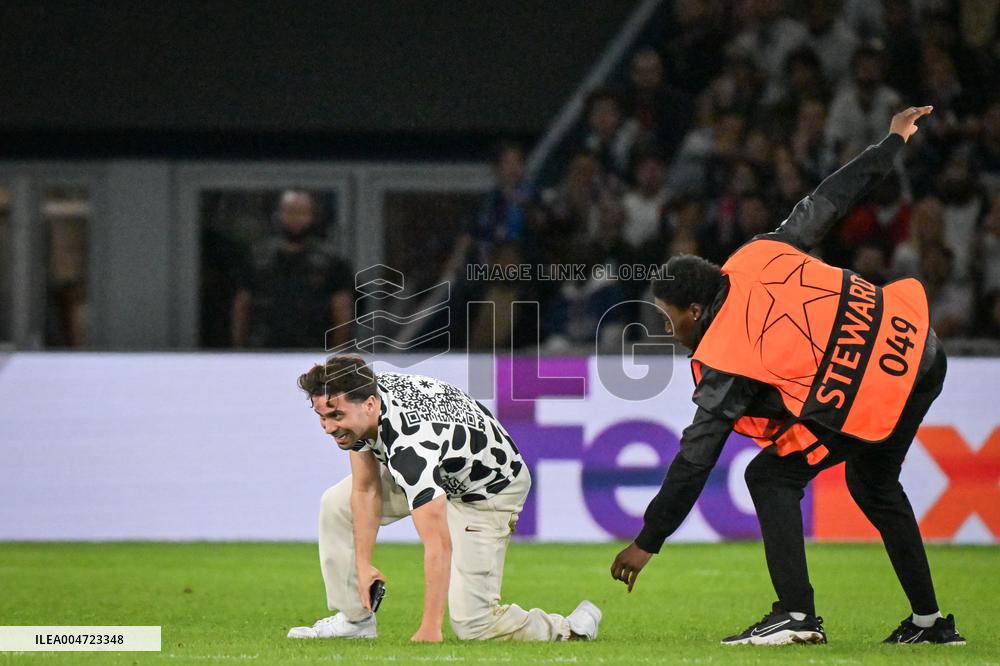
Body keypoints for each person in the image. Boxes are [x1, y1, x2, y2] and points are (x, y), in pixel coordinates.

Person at [610, 106, 967, 646]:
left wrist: (648, 540)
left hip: (879, 379)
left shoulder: (728, 353)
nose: (666, 329)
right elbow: (830, 198)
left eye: (668, 317)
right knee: (873, 483)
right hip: (918, 346)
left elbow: (694, 459)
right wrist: (891, 142)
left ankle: (796, 617)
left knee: (770, 477)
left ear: (695, 311)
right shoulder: (760, 252)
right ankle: (929, 624)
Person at [287, 355, 601, 642]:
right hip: (444, 464)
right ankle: (355, 620)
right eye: (321, 416)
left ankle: (569, 627)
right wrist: (363, 563)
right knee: (337, 505)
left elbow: (438, 544)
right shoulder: (359, 396)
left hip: (489, 489)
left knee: (475, 626)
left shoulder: (411, 446)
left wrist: (430, 627)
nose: (328, 427)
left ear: (370, 405)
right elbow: (365, 488)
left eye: (335, 415)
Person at [231, 190, 354, 349]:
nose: (295, 218)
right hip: (263, 349)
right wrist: (240, 349)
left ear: (312, 216)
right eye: (289, 211)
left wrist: (336, 354)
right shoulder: (257, 257)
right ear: (278, 215)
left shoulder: (331, 261)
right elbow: (242, 305)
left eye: (302, 212)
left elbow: (342, 310)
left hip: (313, 349)